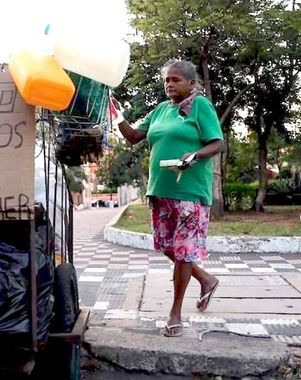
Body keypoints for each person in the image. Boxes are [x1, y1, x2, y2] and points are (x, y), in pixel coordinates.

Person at [111, 59, 224, 337]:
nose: (169, 84)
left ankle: (175, 314)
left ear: (190, 83)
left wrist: (195, 156)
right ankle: (205, 279)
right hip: (161, 189)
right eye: (166, 81)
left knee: (184, 252)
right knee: (165, 245)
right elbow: (135, 136)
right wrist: (115, 113)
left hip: (189, 191)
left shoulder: (200, 105)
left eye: (175, 80)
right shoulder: (161, 110)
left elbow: (218, 142)